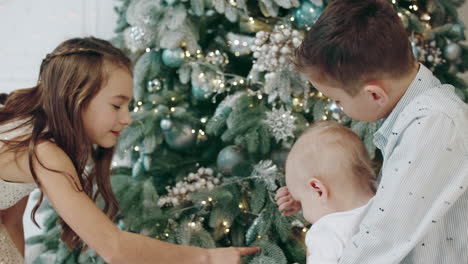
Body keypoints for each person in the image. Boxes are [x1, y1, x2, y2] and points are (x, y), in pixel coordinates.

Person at [0, 37, 259, 264]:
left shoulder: (29, 130)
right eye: (116, 106)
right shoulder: (44, 152)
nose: (127, 119)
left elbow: (9, 217)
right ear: (74, 96)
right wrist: (208, 257)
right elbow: (114, 249)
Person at [277, 0, 468, 263]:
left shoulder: (434, 123)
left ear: (375, 95)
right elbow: (394, 201)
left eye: (338, 100)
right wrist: (313, 200)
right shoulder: (418, 117)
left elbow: (385, 232)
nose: (339, 109)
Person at [276, 121, 376, 263]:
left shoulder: (326, 233)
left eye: (302, 202)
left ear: (318, 190)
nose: (302, 209)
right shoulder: (383, 197)